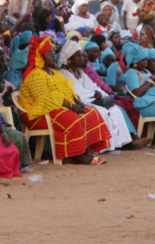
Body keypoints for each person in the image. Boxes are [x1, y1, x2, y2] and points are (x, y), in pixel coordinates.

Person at [17, 37, 110, 165]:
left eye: (53, 52)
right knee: (75, 120)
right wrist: (71, 106)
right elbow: (44, 100)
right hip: (38, 114)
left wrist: (77, 102)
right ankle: (77, 155)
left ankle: (85, 152)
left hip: (56, 108)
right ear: (40, 56)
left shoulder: (55, 73)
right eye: (49, 53)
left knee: (91, 113)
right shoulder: (36, 75)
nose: (53, 55)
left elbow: (68, 91)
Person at [59, 41, 148, 151]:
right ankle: (104, 146)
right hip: (80, 101)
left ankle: (123, 142)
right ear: (69, 58)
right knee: (103, 112)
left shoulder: (80, 72)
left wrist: (102, 94)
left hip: (90, 99)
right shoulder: (64, 73)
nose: (81, 58)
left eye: (81, 55)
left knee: (116, 110)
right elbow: (76, 92)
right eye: (78, 55)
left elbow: (92, 85)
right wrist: (93, 94)